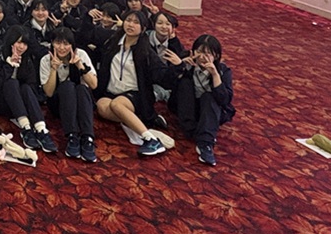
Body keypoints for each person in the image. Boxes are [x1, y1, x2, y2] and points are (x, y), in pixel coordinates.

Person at [95, 9, 171, 157]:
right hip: (111, 91)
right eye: (128, 20)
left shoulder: (145, 51)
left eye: (136, 22)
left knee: (117, 105)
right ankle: (138, 121)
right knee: (101, 107)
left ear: (143, 28)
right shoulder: (113, 42)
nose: (131, 25)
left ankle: (150, 139)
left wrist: (178, 66)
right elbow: (88, 36)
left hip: (134, 94)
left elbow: (162, 76)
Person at [0, 26, 57, 153]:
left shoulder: (27, 59)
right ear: (10, 41)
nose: (22, 47)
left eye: (25, 44)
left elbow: (31, 85)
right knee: (11, 83)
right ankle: (26, 128)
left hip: (17, 106)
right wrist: (9, 65)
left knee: (26, 88)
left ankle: (41, 129)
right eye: (19, 42)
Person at [163, 34, 235, 166]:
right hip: (187, 108)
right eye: (199, 51)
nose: (202, 57)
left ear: (216, 56)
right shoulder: (186, 61)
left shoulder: (223, 71)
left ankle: (205, 143)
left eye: (208, 53)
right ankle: (192, 131)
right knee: (185, 83)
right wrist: (180, 67)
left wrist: (215, 75)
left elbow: (224, 100)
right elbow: (167, 83)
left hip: (209, 111)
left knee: (209, 96)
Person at [40, 27, 98, 162]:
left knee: (81, 88)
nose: (62, 48)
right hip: (59, 104)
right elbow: (49, 92)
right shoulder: (46, 59)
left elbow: (94, 85)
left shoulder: (81, 54)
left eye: (66, 44)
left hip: (81, 104)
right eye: (58, 43)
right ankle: (72, 136)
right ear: (52, 43)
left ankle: (87, 137)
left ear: (72, 44)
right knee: (67, 86)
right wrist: (54, 69)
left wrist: (80, 65)